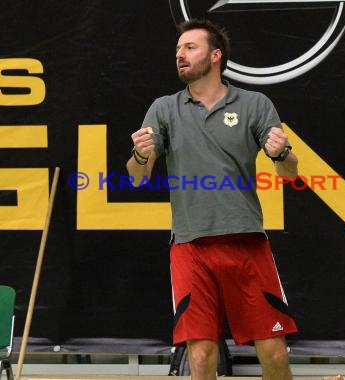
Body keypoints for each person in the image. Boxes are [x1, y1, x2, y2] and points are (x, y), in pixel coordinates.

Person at [126, 19, 298, 380]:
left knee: (275, 351)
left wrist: (282, 153)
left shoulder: (254, 104)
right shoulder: (163, 108)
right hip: (190, 246)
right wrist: (141, 155)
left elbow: (290, 173)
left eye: (190, 48)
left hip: (246, 243)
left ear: (216, 55)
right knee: (201, 357)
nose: (180, 55)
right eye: (178, 50)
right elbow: (137, 177)